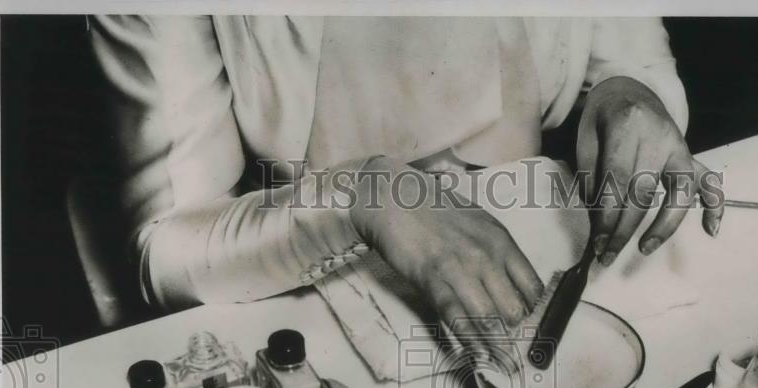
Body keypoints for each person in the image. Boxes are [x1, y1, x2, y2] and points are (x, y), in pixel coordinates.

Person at [90, 16, 722, 334]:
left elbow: (630, 56)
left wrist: (628, 93)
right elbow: (164, 248)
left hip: (539, 226)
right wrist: (361, 196)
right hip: (301, 274)